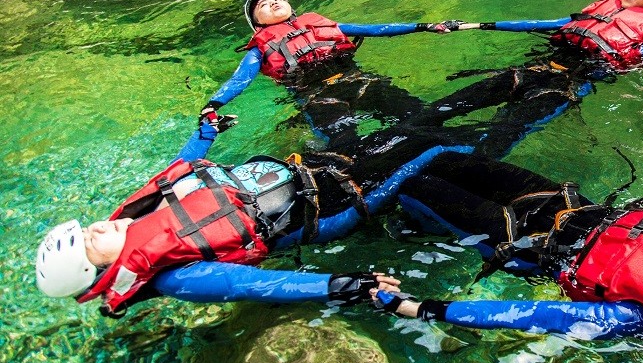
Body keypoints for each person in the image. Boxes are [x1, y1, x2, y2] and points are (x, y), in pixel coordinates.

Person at [372, 101, 643, 359]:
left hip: (520, 242)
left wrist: (418, 308)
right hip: (560, 203)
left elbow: (535, 315)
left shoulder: (637, 317)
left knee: (413, 183)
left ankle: (401, 225)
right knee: (444, 158)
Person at [34, 114, 473, 319]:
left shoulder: (144, 212)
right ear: (104, 272)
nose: (96, 226)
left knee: (415, 131)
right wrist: (342, 284)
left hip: (309, 170)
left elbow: (178, 170)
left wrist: (206, 131)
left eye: (86, 227)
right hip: (330, 210)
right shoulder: (175, 277)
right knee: (431, 154)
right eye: (90, 241)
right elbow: (253, 284)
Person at [402, 0, 643, 143]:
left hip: (573, 82)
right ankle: (399, 137)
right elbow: (545, 23)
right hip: (539, 66)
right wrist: (476, 25)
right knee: (447, 105)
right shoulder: (605, 9)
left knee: (505, 131)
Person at [198, 0, 457, 143]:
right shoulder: (260, 49)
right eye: (263, 5)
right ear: (258, 25)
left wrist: (426, 26)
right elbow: (239, 80)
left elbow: (377, 29)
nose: (272, 3)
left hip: (357, 80)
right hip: (315, 97)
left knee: (420, 114)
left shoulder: (319, 25)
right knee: (345, 143)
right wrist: (213, 105)